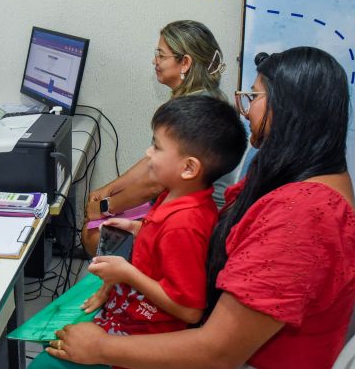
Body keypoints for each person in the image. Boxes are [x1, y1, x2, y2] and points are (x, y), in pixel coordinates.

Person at [46, 47, 355, 369]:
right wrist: (147, 232)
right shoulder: (304, 178)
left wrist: (102, 348)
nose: (245, 110)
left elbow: (219, 352)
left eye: (254, 96)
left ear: (288, 110)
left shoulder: (305, 215)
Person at [30, 96, 246, 369]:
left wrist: (127, 273)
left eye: (157, 147)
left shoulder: (185, 225)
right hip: (126, 313)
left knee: (43, 364)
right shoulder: (176, 197)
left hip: (143, 335)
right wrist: (139, 229)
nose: (148, 153)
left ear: (189, 168)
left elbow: (189, 311)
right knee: (50, 340)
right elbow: (164, 246)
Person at [83, 20, 228, 254]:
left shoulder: (195, 112)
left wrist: (105, 206)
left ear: (185, 63)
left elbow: (155, 183)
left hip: (194, 225)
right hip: (177, 207)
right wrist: (110, 188)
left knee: (93, 234)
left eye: (161, 55)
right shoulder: (196, 97)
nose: (155, 61)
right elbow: (153, 162)